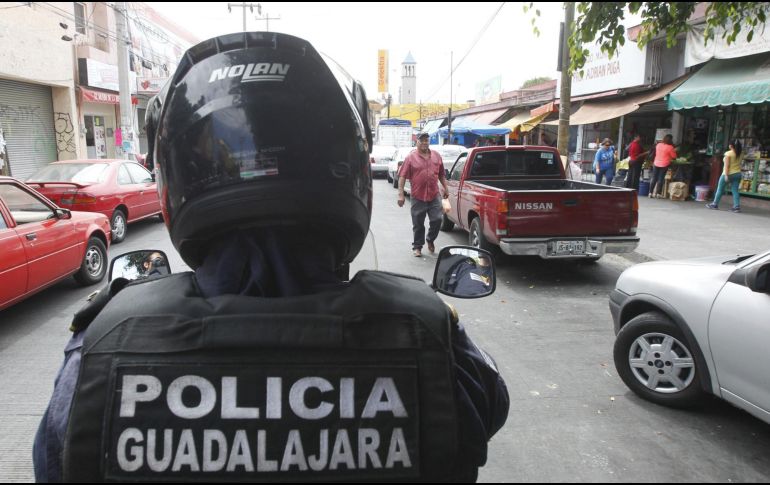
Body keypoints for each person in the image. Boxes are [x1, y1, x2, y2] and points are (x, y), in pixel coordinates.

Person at [33, 32, 508, 483]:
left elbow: (55, 462)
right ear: (346, 166)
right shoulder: (429, 337)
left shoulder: (103, 351)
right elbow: (489, 409)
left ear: (176, 178)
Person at [398, 132, 450, 257]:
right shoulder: (411, 158)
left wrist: (446, 188)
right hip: (417, 196)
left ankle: (430, 239)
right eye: (422, 140)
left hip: (434, 195)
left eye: (426, 140)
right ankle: (417, 247)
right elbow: (402, 176)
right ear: (417, 142)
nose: (425, 142)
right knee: (418, 223)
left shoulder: (437, 156)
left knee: (437, 219)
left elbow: (441, 174)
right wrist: (400, 194)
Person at [707, 139, 744, 212]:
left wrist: (726, 175)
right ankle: (736, 207)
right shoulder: (741, 153)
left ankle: (715, 204)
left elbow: (727, 166)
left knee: (720, 189)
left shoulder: (728, 153)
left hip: (728, 174)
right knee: (735, 190)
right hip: (737, 174)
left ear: (731, 146)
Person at [650, 134, 677, 199]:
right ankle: (658, 194)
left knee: (654, 178)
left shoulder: (658, 145)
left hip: (656, 163)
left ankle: (650, 193)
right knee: (660, 179)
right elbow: (674, 156)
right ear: (670, 140)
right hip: (664, 164)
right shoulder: (670, 147)